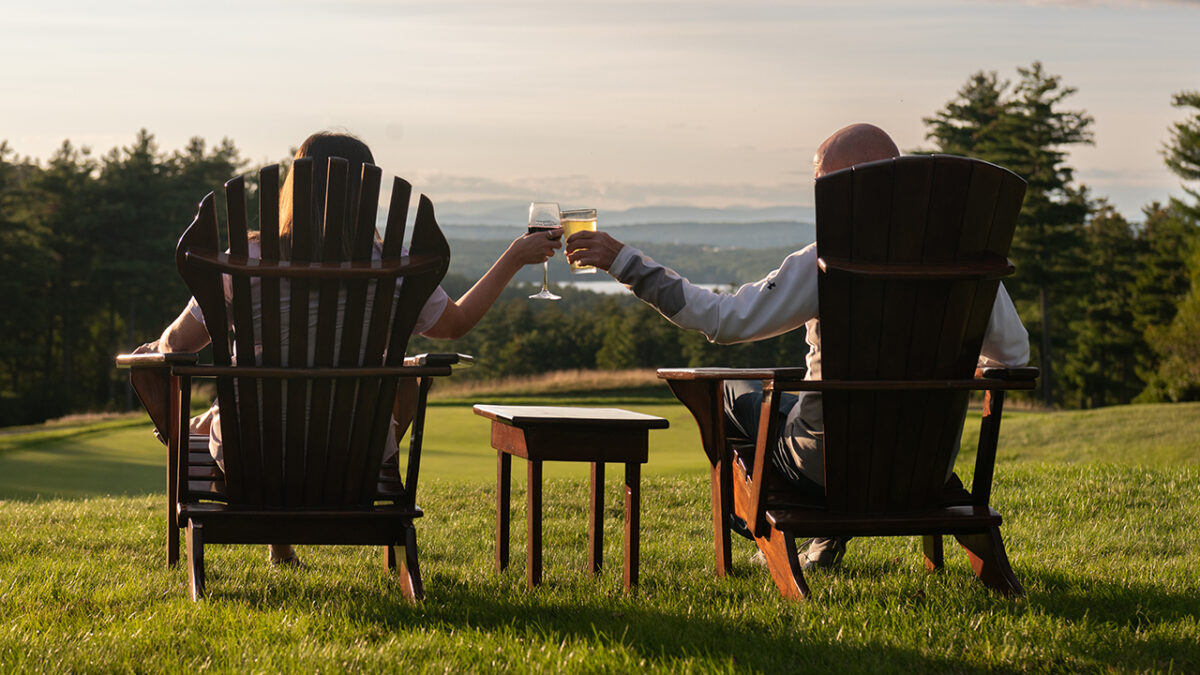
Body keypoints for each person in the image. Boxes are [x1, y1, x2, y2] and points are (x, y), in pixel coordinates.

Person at [566, 123, 1030, 569]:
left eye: (825, 186)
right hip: (924, 466)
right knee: (805, 410)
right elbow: (1012, 358)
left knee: (731, 394)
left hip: (826, 467)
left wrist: (625, 263)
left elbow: (723, 320)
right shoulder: (968, 259)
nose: (821, 201)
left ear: (856, 186)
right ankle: (824, 543)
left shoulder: (826, 261)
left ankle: (755, 524)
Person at [137, 131, 562, 566]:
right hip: (355, 457)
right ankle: (279, 544)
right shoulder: (394, 265)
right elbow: (455, 325)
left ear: (293, 188)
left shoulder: (245, 258)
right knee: (402, 379)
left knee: (239, 397)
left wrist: (150, 351)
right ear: (367, 193)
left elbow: (175, 347)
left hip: (252, 457)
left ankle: (203, 434)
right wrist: (513, 257)